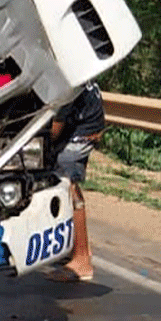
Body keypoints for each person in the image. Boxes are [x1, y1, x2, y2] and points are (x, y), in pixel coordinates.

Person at [46, 81, 105, 282]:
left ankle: (82, 261)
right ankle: (81, 250)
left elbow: (54, 131)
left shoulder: (64, 84)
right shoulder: (67, 71)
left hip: (82, 132)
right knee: (65, 183)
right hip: (85, 124)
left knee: (66, 182)